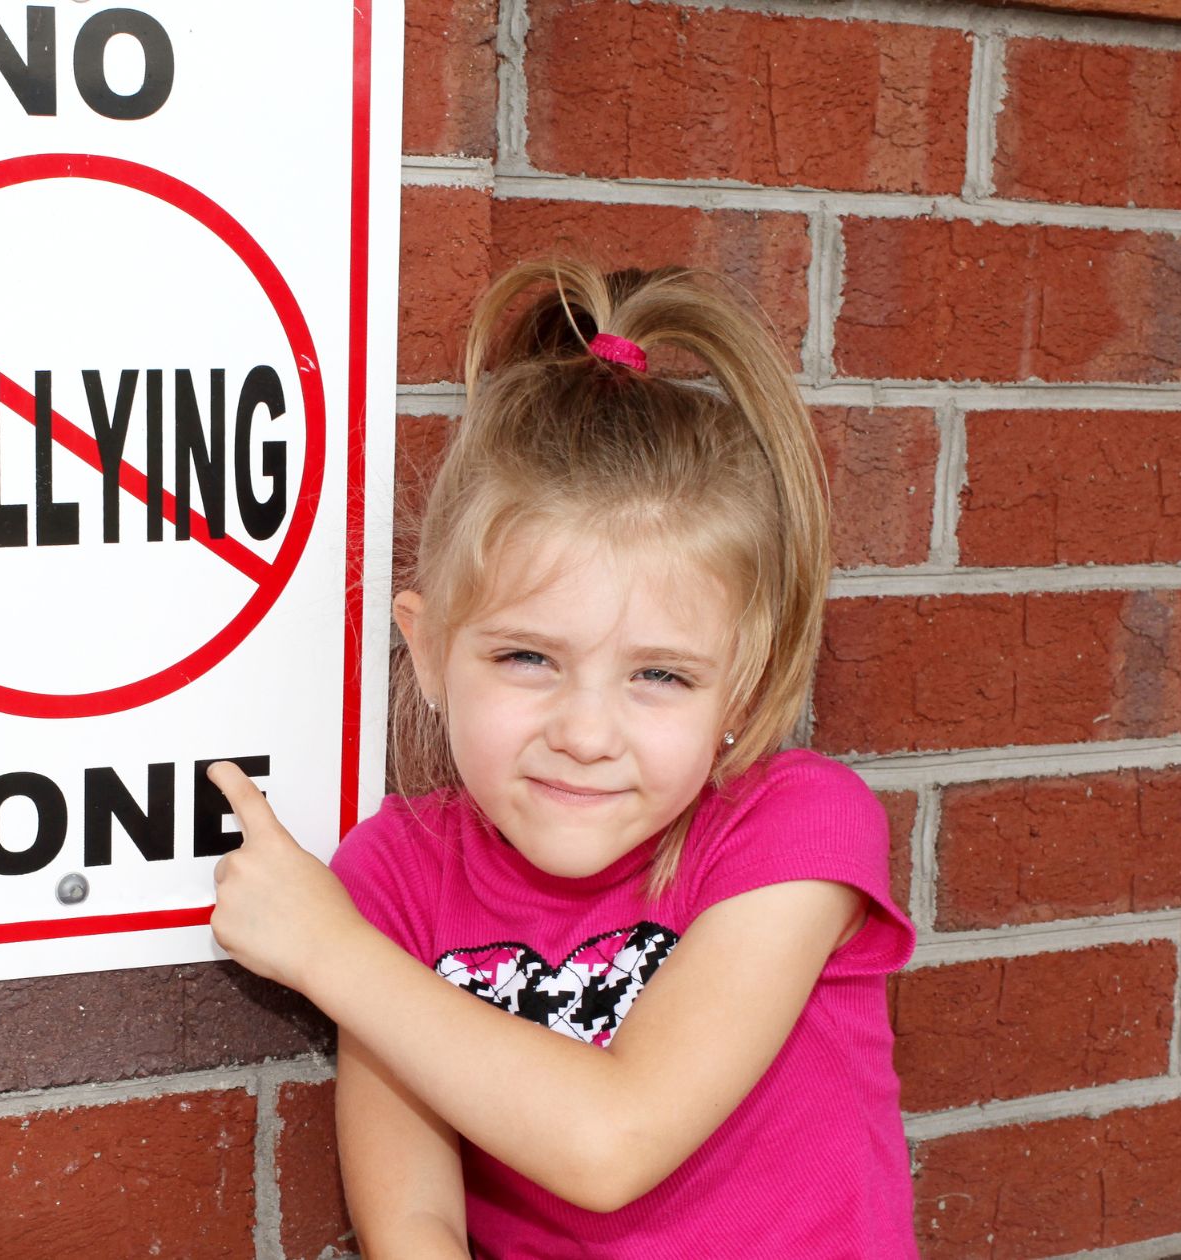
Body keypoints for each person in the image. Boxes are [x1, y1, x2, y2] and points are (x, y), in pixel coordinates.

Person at [204, 259, 918, 1257]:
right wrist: (347, 939)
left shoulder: (798, 830)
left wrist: (327, 951)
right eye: (529, 658)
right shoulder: (394, 878)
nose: (585, 733)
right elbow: (413, 1220)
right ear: (431, 651)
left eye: (660, 677)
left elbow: (612, 1141)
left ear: (742, 694)